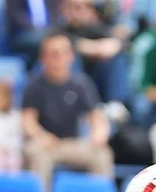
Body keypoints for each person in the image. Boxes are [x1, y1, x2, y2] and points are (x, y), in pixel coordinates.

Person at [21, 32, 115, 183]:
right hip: (46, 144)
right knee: (36, 153)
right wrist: (41, 136)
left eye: (62, 53)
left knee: (102, 154)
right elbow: (28, 121)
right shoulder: (34, 86)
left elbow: (97, 118)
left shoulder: (82, 84)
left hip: (73, 143)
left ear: (71, 56)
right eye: (53, 54)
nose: (58, 58)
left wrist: (98, 135)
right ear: (43, 58)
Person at [58, 0, 129, 106]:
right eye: (74, 5)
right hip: (68, 86)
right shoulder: (58, 29)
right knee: (69, 56)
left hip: (97, 81)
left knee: (118, 58)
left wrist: (116, 44)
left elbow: (121, 42)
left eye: (85, 6)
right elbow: (61, 42)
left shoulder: (96, 29)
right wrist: (93, 48)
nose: (78, 11)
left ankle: (115, 105)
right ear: (64, 7)